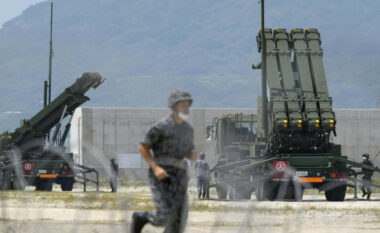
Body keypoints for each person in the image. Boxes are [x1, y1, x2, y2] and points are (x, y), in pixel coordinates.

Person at [131, 89, 197, 233]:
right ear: (174, 107)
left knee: (179, 219)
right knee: (165, 215)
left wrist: (191, 155)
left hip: (179, 175)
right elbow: (143, 147)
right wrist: (155, 168)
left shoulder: (188, 130)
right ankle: (140, 218)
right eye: (183, 105)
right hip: (161, 173)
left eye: (188, 105)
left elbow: (186, 152)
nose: (186, 108)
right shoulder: (161, 127)